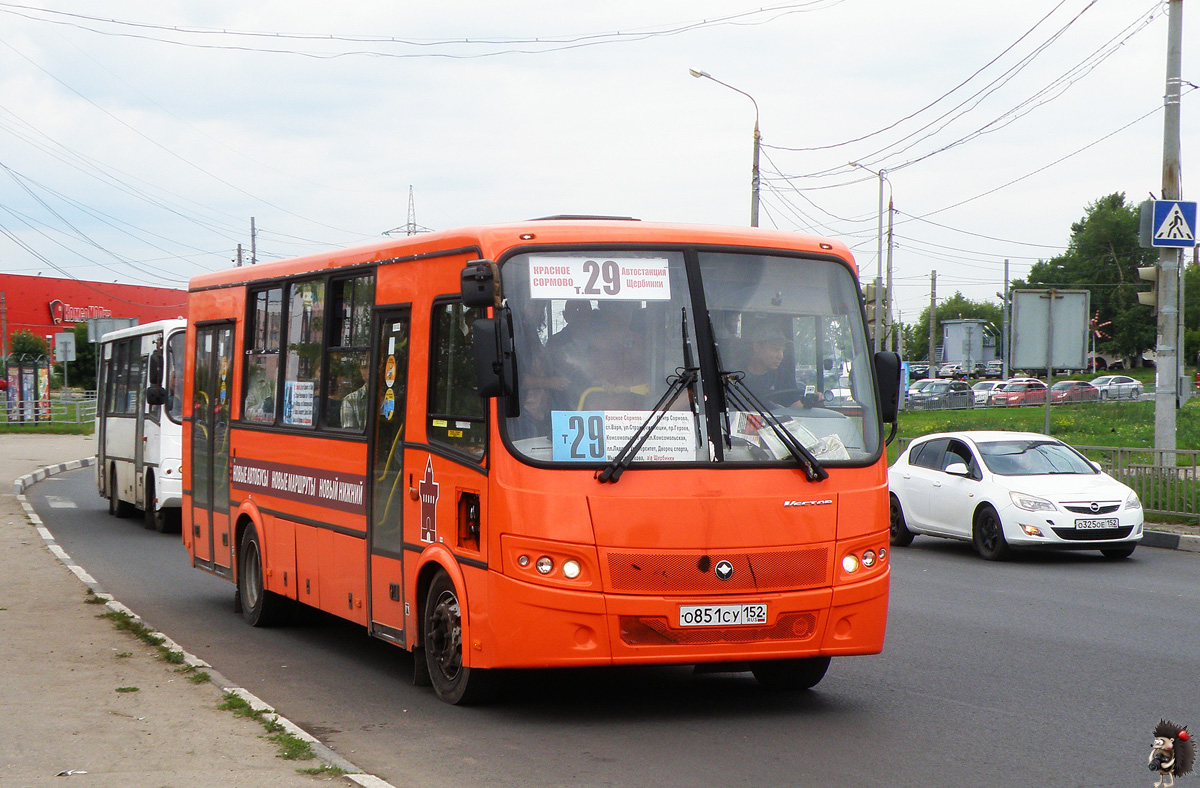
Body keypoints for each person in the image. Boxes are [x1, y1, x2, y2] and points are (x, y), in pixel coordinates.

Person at [340, 354, 371, 430]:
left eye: (372, 366)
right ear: (360, 371)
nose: (369, 371)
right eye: (364, 367)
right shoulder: (350, 400)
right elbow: (350, 436)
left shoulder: (395, 395)